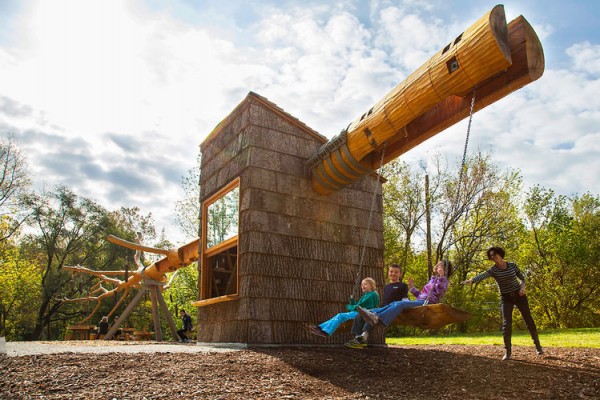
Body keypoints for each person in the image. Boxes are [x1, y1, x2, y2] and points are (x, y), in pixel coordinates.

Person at [461, 246, 543, 360]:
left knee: (528, 319)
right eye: (491, 257)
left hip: (519, 295)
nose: (494, 258)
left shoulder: (512, 265)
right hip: (506, 298)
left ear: (500, 254)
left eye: (495, 255)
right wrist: (472, 280)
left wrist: (522, 288)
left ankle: (538, 346)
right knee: (506, 323)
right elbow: (483, 275)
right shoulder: (494, 270)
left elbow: (522, 278)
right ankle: (508, 351)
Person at [357, 260, 452, 331]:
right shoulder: (432, 279)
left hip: (428, 304)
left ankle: (376, 317)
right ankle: (372, 313)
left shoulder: (444, 281)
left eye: (440, 267)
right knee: (395, 303)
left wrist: (442, 276)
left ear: (445, 270)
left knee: (400, 304)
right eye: (438, 266)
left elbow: (439, 290)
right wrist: (412, 287)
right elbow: (422, 295)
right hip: (421, 301)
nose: (438, 267)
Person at [345, 264, 409, 349]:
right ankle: (357, 338)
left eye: (396, 272)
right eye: (391, 271)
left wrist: (406, 306)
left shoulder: (402, 285)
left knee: (373, 315)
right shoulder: (386, 287)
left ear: (400, 274)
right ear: (388, 273)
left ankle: (364, 337)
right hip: (384, 307)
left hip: (393, 309)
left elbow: (405, 299)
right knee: (361, 314)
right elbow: (385, 301)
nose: (393, 273)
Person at [308, 278, 379, 338]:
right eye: (362, 284)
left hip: (362, 314)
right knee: (339, 316)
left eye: (365, 284)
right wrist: (352, 301)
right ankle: (320, 328)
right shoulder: (368, 295)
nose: (362, 286)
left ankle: (325, 331)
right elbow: (359, 305)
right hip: (360, 313)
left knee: (340, 316)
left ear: (371, 285)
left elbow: (358, 307)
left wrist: (349, 306)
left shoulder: (370, 295)